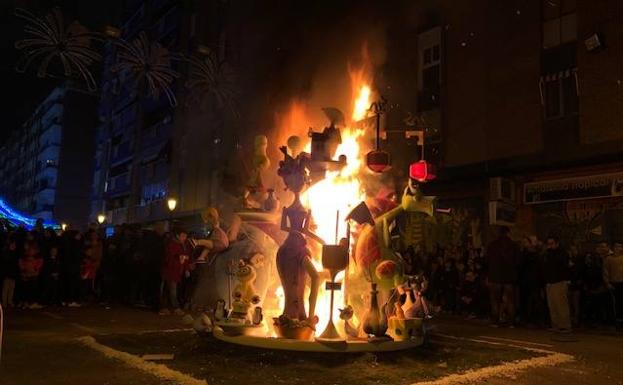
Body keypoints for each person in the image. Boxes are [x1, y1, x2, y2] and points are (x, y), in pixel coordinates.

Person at [485, 226, 520, 326]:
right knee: (510, 301)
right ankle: (511, 322)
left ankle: (495, 321)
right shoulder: (514, 245)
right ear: (508, 233)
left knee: (495, 301)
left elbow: (487, 261)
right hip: (509, 277)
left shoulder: (492, 245)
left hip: (495, 276)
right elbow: (518, 262)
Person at [542, 235, 572, 333]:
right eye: (548, 244)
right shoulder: (547, 254)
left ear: (557, 243)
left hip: (559, 281)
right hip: (550, 282)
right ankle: (555, 324)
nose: (550, 246)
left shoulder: (562, 253)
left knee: (561, 305)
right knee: (552, 305)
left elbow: (562, 265)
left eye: (552, 244)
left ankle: (565, 325)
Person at [160, 226, 191, 315]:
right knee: (172, 290)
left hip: (176, 272)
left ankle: (164, 307)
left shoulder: (182, 245)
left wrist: (186, 269)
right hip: (170, 271)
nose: (184, 238)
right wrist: (180, 258)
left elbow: (185, 258)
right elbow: (169, 258)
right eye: (183, 236)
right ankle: (175, 307)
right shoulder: (172, 244)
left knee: (168, 289)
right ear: (178, 235)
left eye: (185, 236)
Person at [18, 240, 44, 309]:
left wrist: (35, 269)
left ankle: (28, 302)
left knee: (29, 289)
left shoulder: (32, 253)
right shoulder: (26, 253)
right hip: (29, 273)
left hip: (31, 273)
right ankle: (27, 302)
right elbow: (22, 262)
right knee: (28, 289)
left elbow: (39, 262)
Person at [603, 241, 623, 328]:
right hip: (614, 283)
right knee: (616, 303)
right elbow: (605, 272)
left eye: (620, 247)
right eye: (616, 246)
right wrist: (607, 283)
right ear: (613, 247)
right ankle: (617, 321)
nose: (618, 248)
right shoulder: (609, 259)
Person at [2, 236, 19, 308]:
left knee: (11, 289)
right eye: (13, 245)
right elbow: (5, 264)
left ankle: (9, 301)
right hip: (7, 273)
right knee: (6, 289)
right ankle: (4, 302)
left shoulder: (15, 253)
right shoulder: (6, 253)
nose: (14, 246)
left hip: (13, 273)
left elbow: (16, 264)